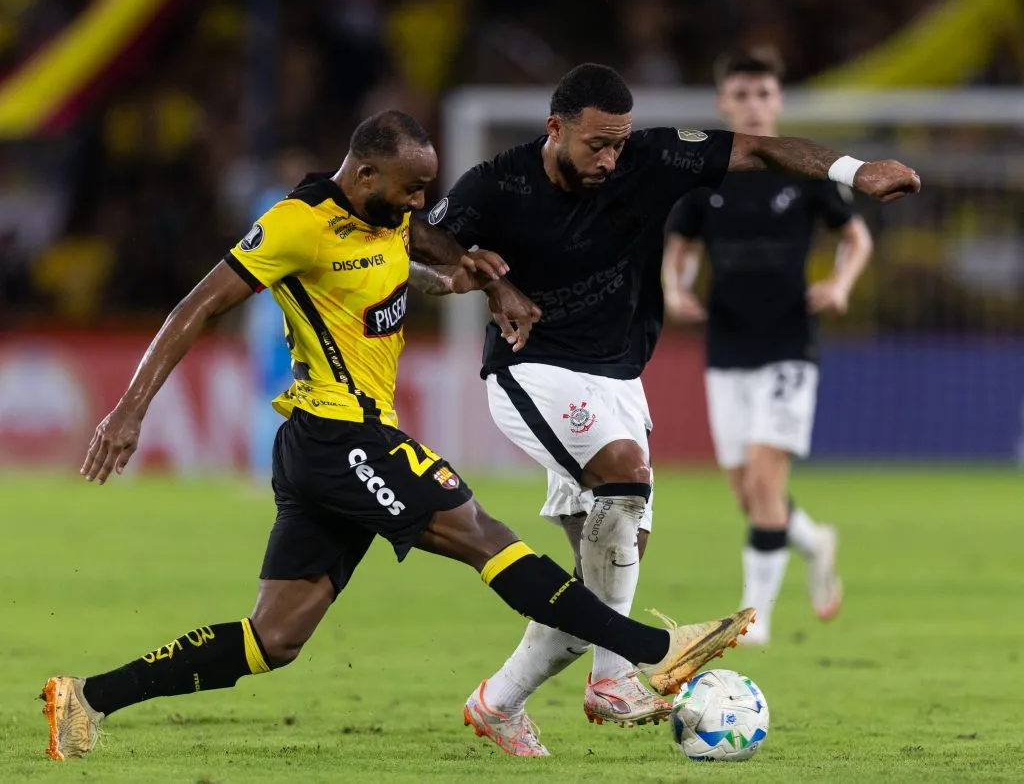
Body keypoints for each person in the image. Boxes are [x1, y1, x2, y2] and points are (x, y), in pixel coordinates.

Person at [40, 109, 756, 762]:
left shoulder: (381, 217)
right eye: (412, 190)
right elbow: (192, 309)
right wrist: (128, 410)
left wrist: (473, 281)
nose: (420, 205)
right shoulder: (296, 224)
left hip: (336, 447)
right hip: (336, 437)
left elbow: (396, 268)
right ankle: (656, 652)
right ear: (366, 173)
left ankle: (86, 697)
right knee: (484, 535)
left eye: (425, 191)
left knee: (274, 639)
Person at [425, 63, 918, 754]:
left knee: (604, 571)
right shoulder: (498, 182)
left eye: (619, 143)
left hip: (620, 377)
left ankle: (498, 702)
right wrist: (485, 279)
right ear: (555, 128)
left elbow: (760, 148)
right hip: (530, 367)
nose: (610, 158)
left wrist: (853, 170)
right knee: (625, 478)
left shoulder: (651, 157)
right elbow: (425, 236)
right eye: (597, 144)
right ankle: (614, 676)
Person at [661, 49, 874, 645]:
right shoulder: (704, 176)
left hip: (788, 344)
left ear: (777, 101)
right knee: (747, 491)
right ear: (722, 102)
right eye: (742, 94)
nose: (753, 104)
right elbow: (680, 248)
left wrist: (839, 283)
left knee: (763, 476)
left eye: (763, 94)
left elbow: (855, 238)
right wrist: (675, 292)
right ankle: (813, 540)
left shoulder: (805, 169)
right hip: (726, 343)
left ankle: (755, 619)